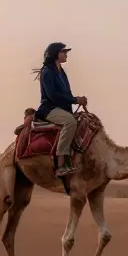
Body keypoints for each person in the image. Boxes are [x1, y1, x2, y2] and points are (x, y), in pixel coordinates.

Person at [34, 42, 87, 176]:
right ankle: (61, 164)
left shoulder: (61, 72)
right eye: (63, 52)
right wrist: (75, 100)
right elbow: (52, 95)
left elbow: (67, 93)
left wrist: (77, 99)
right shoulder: (47, 72)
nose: (66, 55)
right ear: (56, 54)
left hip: (62, 108)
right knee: (70, 122)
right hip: (49, 108)